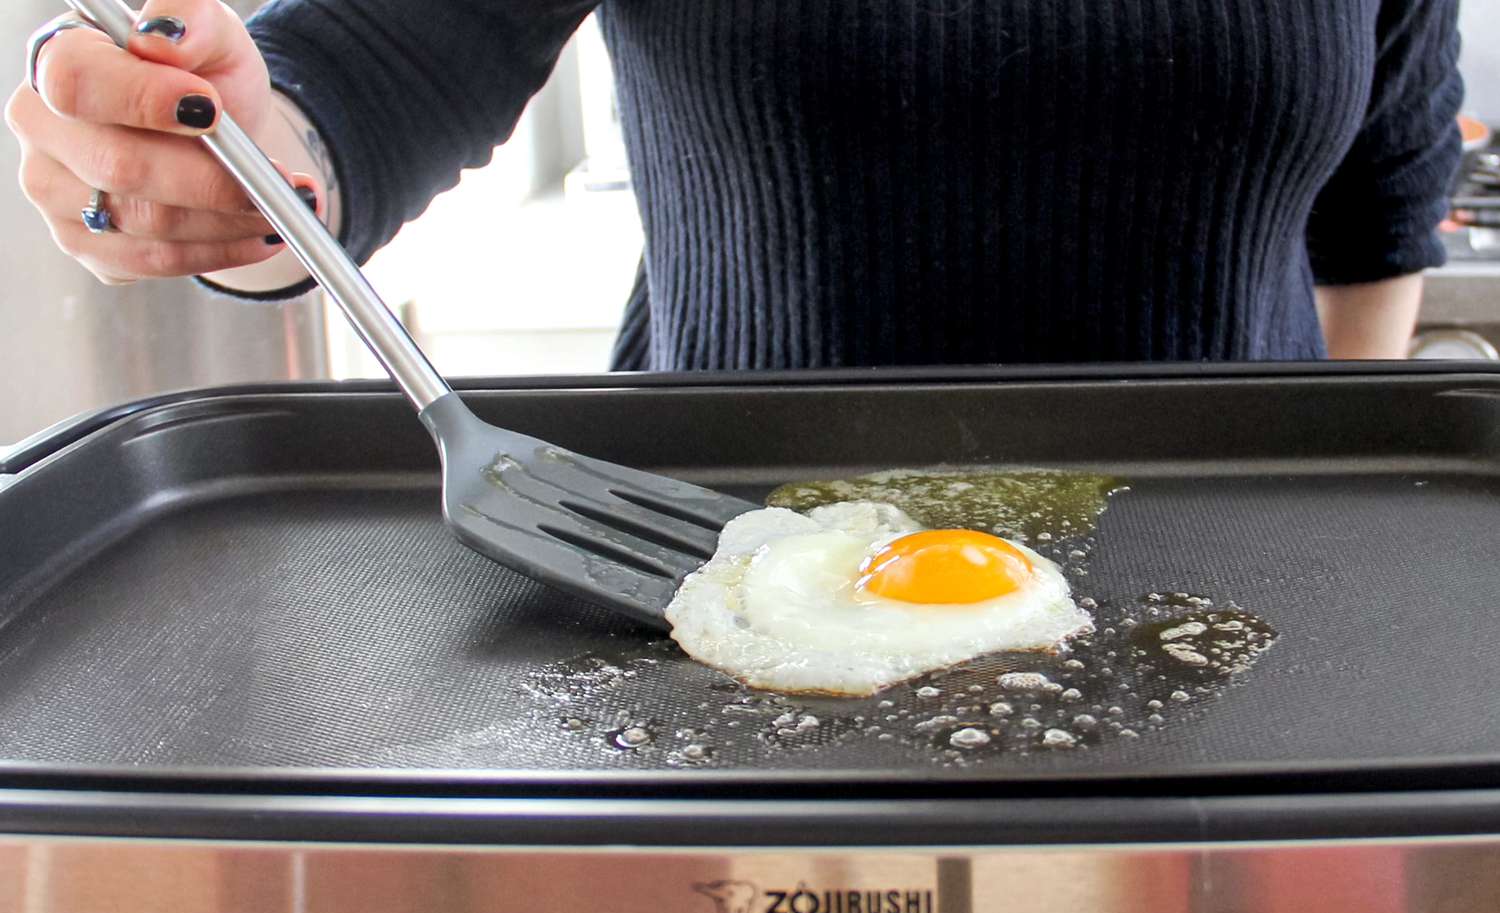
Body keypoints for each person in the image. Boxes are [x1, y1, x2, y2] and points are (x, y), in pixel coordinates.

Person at [5, 1, 1464, 367]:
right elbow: (375, 73)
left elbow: (1383, 202)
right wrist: (234, 165)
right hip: (724, 579)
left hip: (1226, 599)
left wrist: (1320, 511)